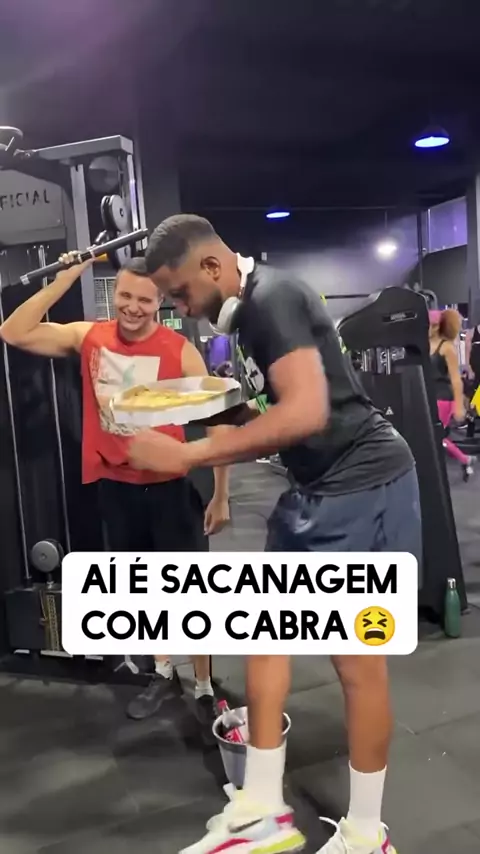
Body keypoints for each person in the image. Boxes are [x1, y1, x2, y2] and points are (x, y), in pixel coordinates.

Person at [127, 214, 422, 854]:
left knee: (356, 661)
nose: (181, 308)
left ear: (212, 266)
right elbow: (278, 404)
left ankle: (366, 836)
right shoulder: (250, 313)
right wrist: (198, 406)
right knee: (264, 635)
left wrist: (187, 455)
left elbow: (308, 411)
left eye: (180, 293)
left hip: (362, 483)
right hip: (317, 487)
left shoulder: (273, 299)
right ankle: (262, 808)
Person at [0, 252, 230, 725]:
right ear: (114, 294)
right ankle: (162, 672)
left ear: (159, 301)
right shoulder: (91, 337)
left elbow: (219, 421)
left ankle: (205, 685)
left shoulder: (178, 350)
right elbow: (13, 331)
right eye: (125, 295)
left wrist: (222, 493)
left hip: (171, 489)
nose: (132, 307)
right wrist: (66, 277)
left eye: (143, 300)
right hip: (117, 489)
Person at [429, 309, 475, 481]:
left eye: (434, 325)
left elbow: (456, 379)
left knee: (435, 435)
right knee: (434, 435)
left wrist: (459, 406)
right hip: (429, 395)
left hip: (443, 397)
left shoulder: (447, 348)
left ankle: (464, 460)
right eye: (429, 325)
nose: (431, 328)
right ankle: (465, 460)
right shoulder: (424, 345)